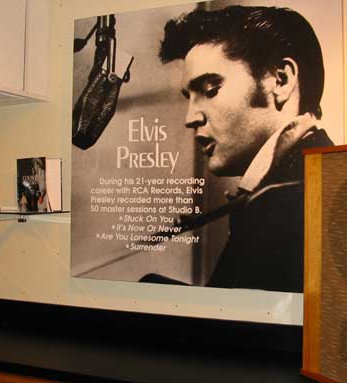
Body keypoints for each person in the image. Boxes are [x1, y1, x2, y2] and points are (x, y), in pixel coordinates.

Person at [142, 5, 334, 292]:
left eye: (210, 90)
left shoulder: (287, 201)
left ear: (281, 80)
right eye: (188, 98)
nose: (190, 117)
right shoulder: (302, 183)